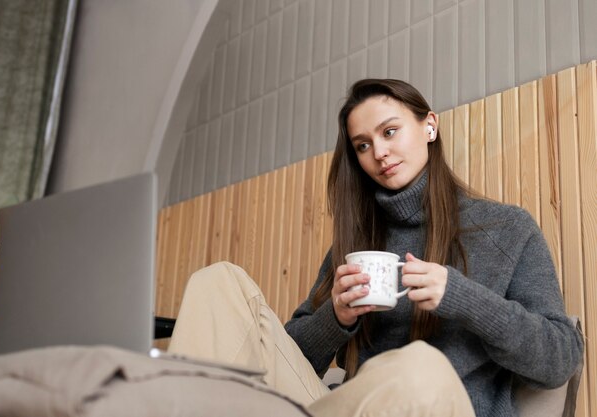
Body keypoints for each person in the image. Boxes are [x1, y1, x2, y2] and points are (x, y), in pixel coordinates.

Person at [168, 79, 583, 417]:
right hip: (351, 408)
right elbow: (290, 359)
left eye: (389, 132)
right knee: (218, 281)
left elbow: (559, 359)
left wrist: (463, 298)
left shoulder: (506, 230)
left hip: (441, 404)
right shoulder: (353, 247)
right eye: (363, 145)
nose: (379, 153)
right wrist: (336, 318)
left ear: (429, 127)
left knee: (420, 366)